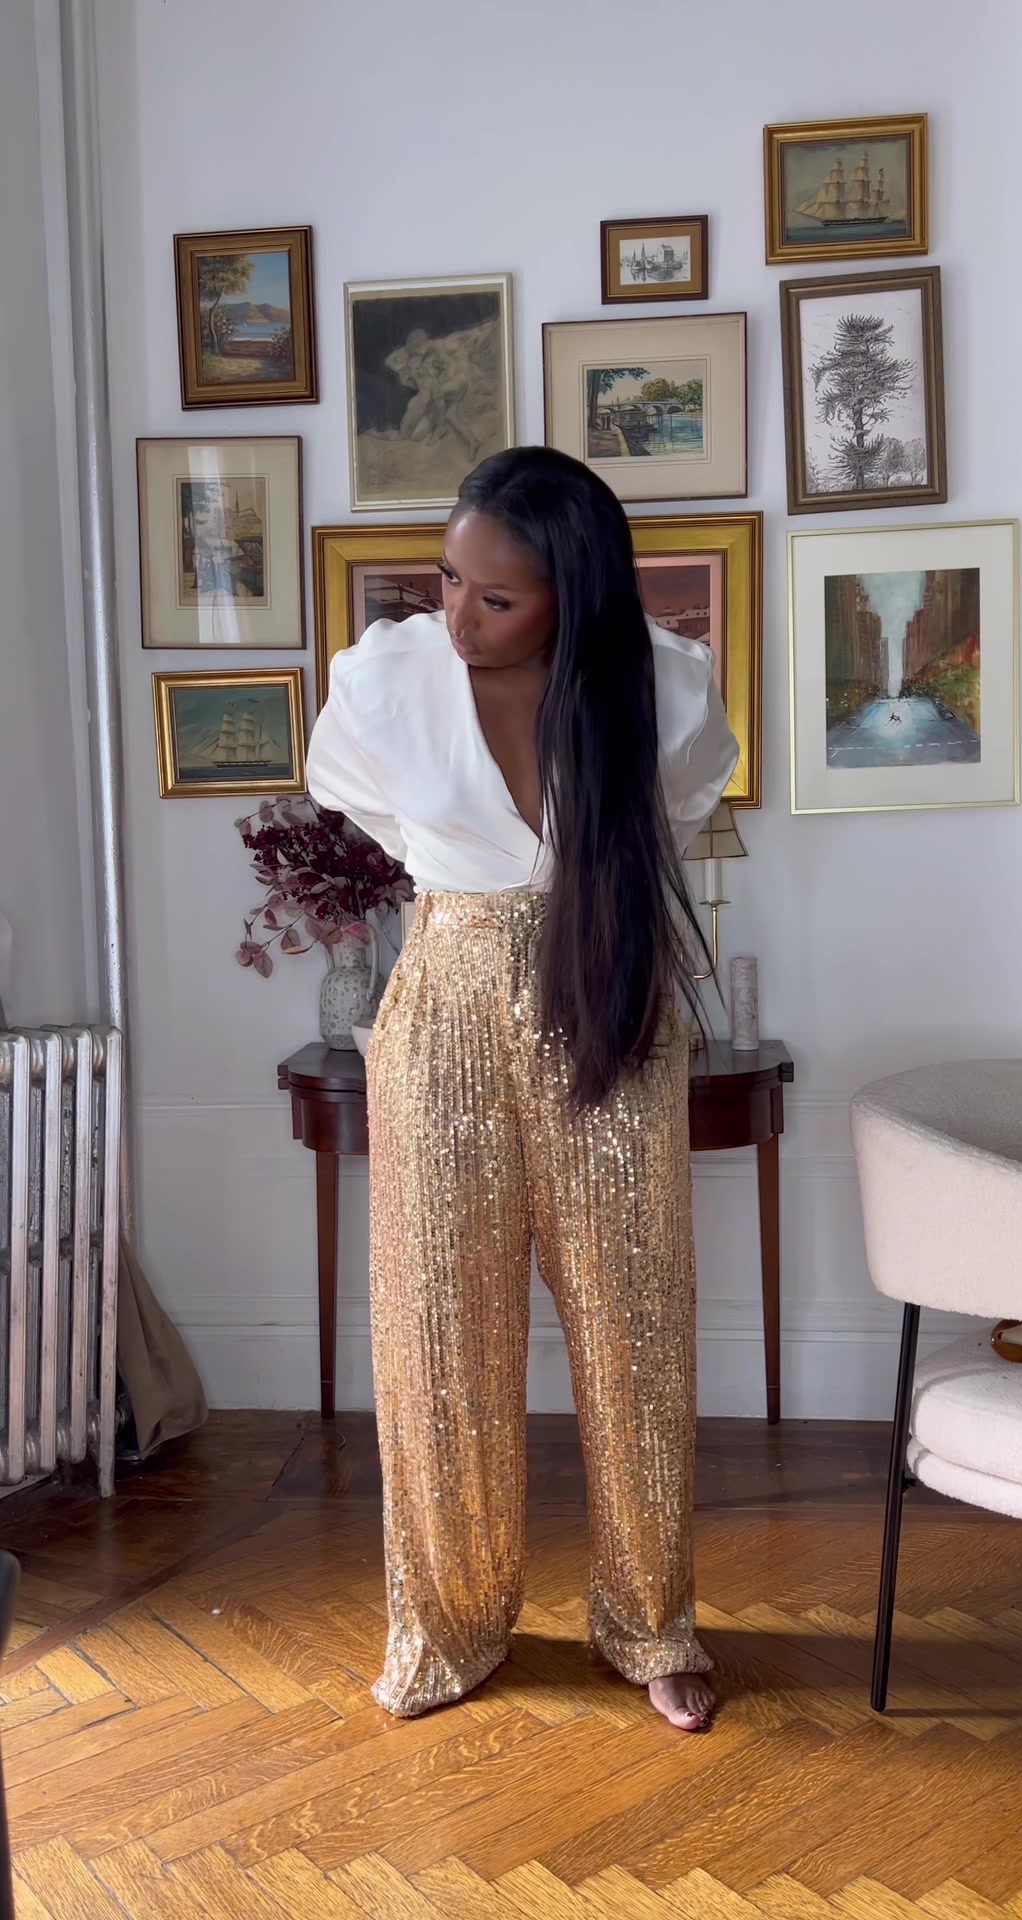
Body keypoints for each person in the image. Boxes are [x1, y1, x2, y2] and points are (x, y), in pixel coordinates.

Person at [306, 446, 738, 1732]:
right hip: (443, 1008)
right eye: (447, 580)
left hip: (606, 996)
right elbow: (377, 814)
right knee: (439, 1332)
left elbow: (675, 810)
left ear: (572, 594)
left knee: (636, 1324)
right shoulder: (387, 678)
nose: (457, 615)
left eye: (495, 598)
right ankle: (449, 1625)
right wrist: (477, 885)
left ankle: (651, 1622)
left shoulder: (662, 683)